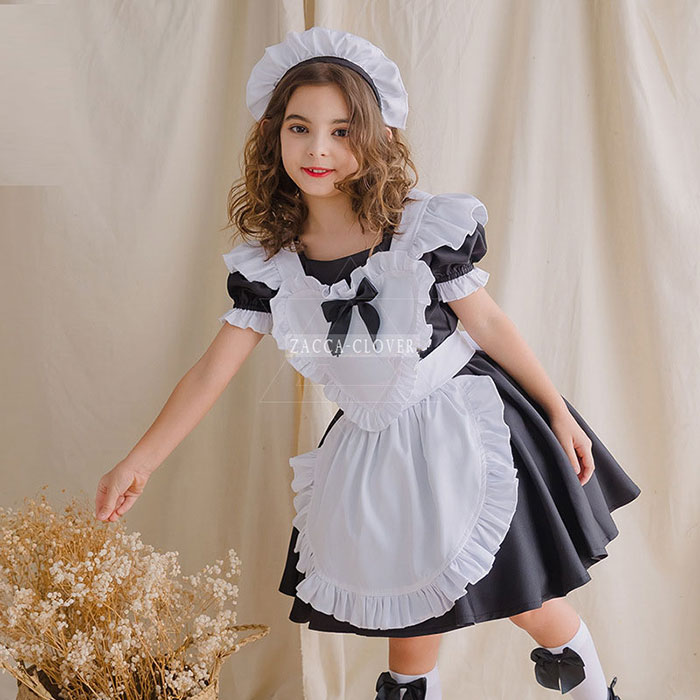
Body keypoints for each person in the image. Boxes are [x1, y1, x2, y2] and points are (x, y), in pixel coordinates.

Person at [94, 26, 640, 700]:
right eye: (299, 128)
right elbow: (212, 371)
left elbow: (490, 324)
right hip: (373, 445)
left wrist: (558, 412)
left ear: (377, 137)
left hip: (465, 428)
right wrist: (139, 462)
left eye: (342, 131)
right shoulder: (270, 265)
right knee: (407, 610)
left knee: (528, 598)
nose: (318, 149)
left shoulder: (421, 230)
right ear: (271, 134)